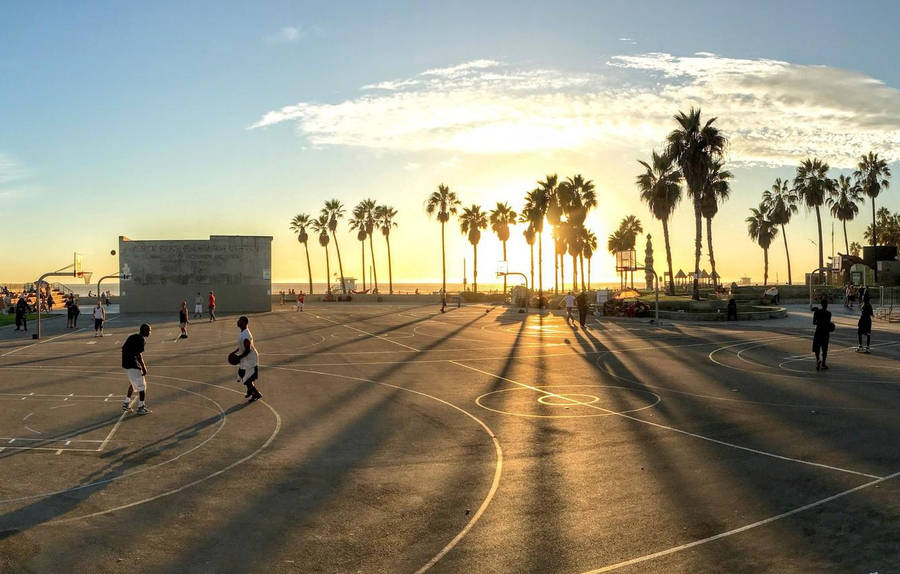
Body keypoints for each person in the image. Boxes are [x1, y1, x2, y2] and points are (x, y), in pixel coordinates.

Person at [121, 323, 152, 415]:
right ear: (145, 331)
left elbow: (124, 348)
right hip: (132, 364)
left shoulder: (132, 337)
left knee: (133, 383)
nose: (150, 332)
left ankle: (126, 403)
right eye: (149, 330)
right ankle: (141, 407)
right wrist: (143, 367)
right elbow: (138, 355)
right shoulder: (141, 339)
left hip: (126, 364)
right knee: (142, 386)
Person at [235, 316, 262, 402]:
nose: (237, 322)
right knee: (242, 374)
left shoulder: (246, 335)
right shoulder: (242, 332)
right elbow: (241, 346)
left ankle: (256, 393)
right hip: (246, 359)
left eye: (239, 320)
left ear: (243, 323)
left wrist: (239, 357)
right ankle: (250, 391)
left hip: (250, 359)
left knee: (247, 379)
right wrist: (234, 352)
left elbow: (247, 350)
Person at [812, 298, 833, 371]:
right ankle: (823, 363)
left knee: (817, 347)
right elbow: (828, 323)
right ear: (827, 305)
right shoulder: (829, 313)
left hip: (818, 331)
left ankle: (818, 360)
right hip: (825, 332)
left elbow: (814, 322)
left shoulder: (817, 312)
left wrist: (819, 322)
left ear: (821, 304)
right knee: (825, 349)